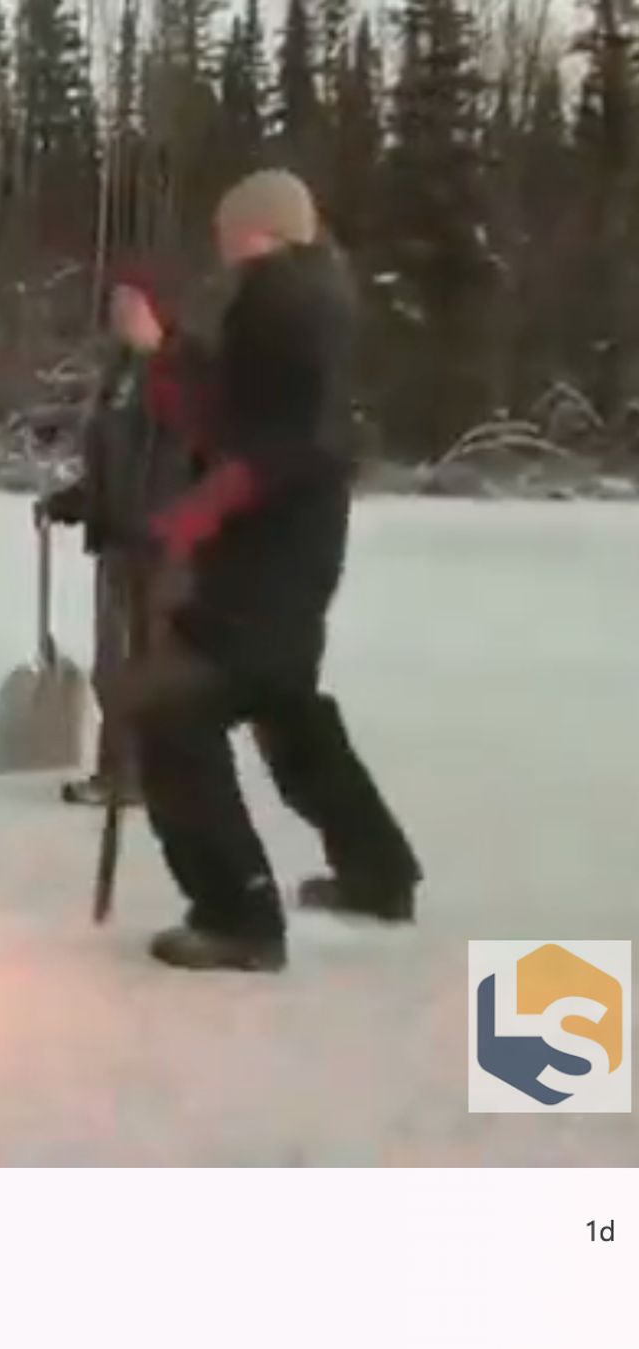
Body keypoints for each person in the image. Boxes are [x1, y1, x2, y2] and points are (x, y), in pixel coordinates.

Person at [126, 169, 422, 973]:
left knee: (173, 716)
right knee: (282, 703)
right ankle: (378, 870)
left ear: (262, 229)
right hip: (291, 548)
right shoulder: (303, 297)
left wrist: (200, 508)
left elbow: (274, 439)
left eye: (232, 227)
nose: (222, 241)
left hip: (266, 552)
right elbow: (231, 409)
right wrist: (168, 353)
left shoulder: (283, 301)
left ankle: (235, 915)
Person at [38, 266, 198, 807]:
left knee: (154, 666)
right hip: (117, 541)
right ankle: (120, 772)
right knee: (115, 667)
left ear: (159, 309)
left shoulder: (185, 377)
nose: (120, 313)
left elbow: (199, 464)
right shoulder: (120, 376)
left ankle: (159, 775)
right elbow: (114, 464)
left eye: (132, 303)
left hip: (165, 547)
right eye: (116, 303)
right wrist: (76, 501)